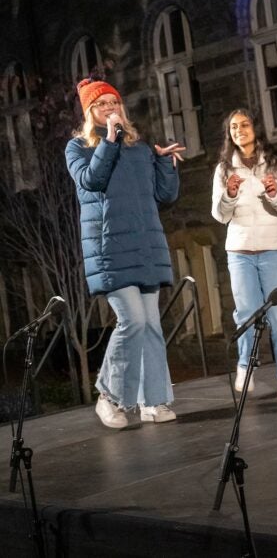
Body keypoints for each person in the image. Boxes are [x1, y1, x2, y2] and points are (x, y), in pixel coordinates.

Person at [66, 78, 184, 428]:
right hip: (109, 250)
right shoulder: (78, 148)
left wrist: (164, 163)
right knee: (132, 320)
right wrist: (110, 140)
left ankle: (154, 402)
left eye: (113, 102)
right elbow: (91, 180)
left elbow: (166, 196)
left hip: (145, 247)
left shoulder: (140, 148)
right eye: (100, 104)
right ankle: (109, 396)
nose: (109, 108)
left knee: (150, 325)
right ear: (90, 112)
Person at [211, 109, 277, 399]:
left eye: (244, 125)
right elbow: (219, 215)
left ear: (255, 128)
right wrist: (230, 194)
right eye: (234, 127)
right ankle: (245, 369)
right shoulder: (225, 168)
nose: (239, 131)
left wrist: (274, 193)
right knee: (246, 314)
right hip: (240, 251)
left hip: (274, 248)